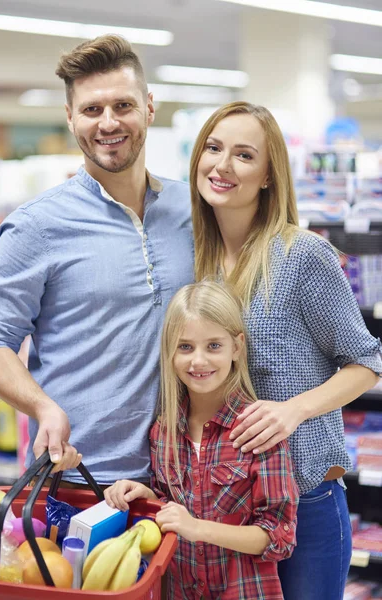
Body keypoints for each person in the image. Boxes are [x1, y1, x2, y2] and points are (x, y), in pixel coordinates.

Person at [188, 101, 382, 600]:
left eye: (244, 155)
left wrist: (293, 410)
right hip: (219, 504)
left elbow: (367, 362)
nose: (222, 165)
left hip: (304, 501)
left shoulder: (302, 255)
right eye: (213, 148)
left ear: (269, 175)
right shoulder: (192, 261)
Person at [0, 34, 194, 484]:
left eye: (123, 106)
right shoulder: (35, 226)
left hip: (186, 479)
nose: (108, 122)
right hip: (79, 477)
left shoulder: (192, 210)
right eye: (92, 109)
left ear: (149, 108)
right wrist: (41, 406)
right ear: (71, 117)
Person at [104, 280, 299, 600]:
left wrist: (197, 528)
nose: (198, 361)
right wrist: (147, 497)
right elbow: (174, 510)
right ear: (170, 351)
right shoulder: (163, 432)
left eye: (213, 346)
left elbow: (279, 537)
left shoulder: (258, 430)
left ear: (236, 347)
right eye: (185, 347)